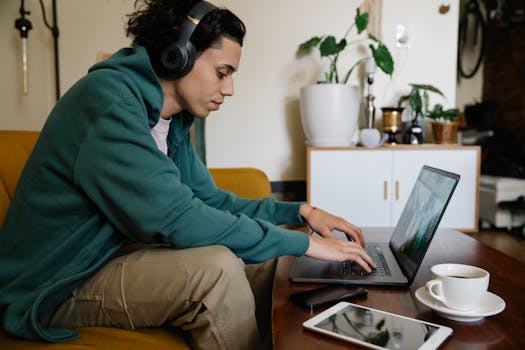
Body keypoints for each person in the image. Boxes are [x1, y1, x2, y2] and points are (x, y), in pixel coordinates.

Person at [0, 0, 375, 349]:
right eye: (222, 72)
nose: (229, 89)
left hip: (109, 254)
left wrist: (299, 215)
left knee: (269, 263)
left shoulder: (171, 119)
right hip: (58, 282)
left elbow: (208, 200)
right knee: (216, 272)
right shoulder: (107, 102)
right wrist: (306, 244)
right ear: (177, 56)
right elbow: (178, 217)